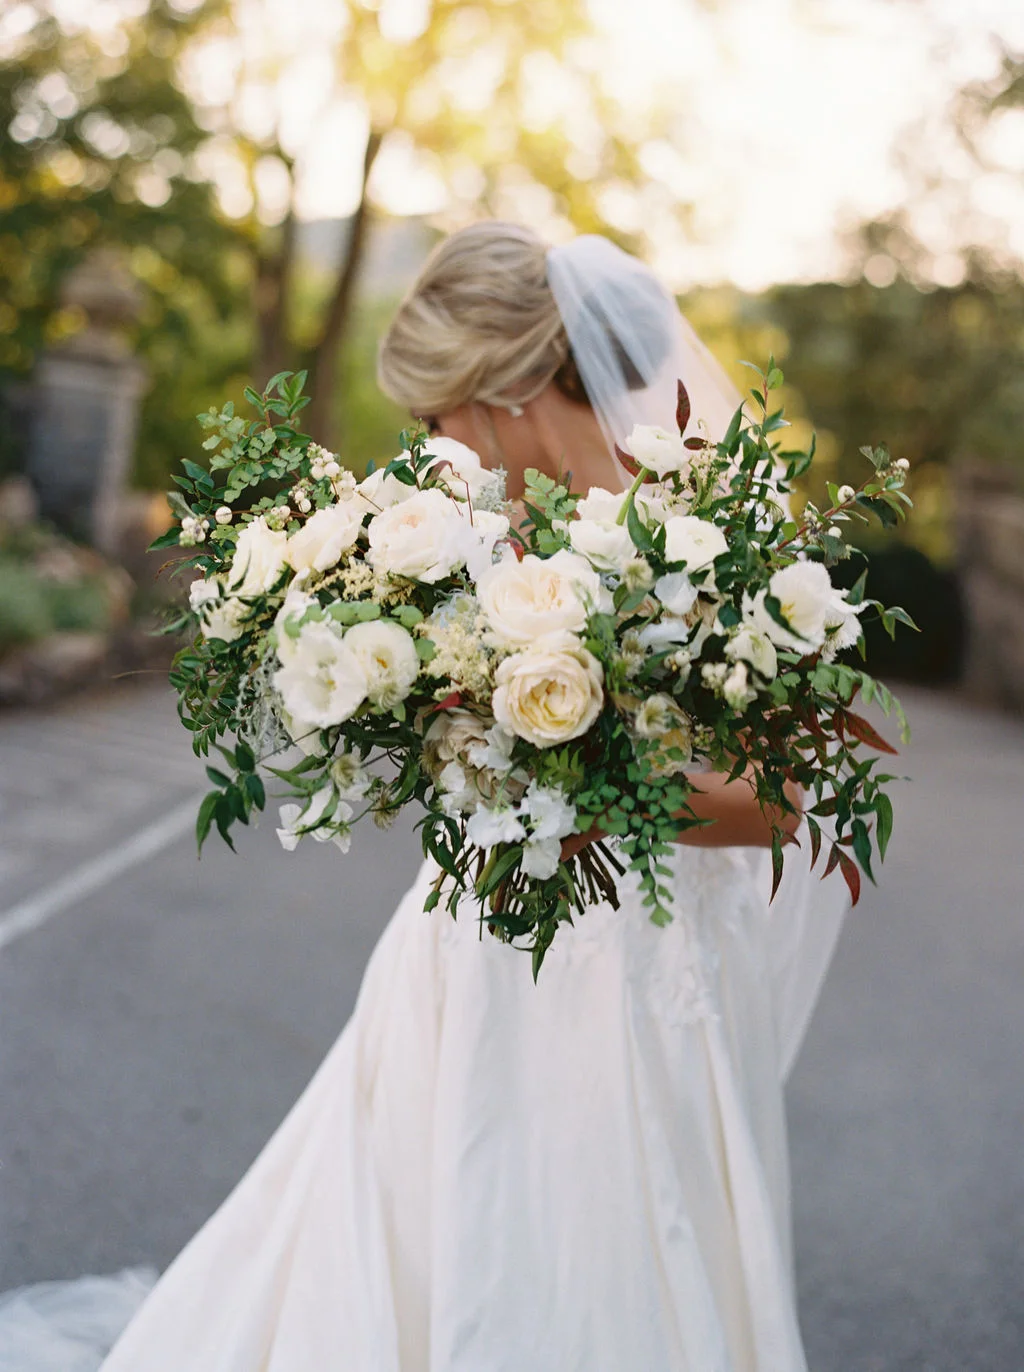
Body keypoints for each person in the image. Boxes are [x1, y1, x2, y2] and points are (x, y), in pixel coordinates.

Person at [0, 223, 847, 1372]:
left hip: (644, 979)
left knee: (626, 1232)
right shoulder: (465, 532)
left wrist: (590, 786)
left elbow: (781, 800)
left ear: (501, 383)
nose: (435, 445)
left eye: (440, 412)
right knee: (421, 1219)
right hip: (470, 957)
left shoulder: (712, 527)